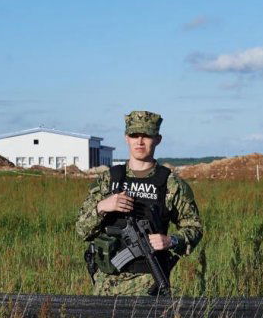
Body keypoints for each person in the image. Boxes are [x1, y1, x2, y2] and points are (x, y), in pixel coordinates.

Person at [76, 110, 203, 295]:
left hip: (149, 283)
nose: (140, 141)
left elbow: (195, 228)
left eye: (147, 135)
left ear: (158, 139)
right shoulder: (108, 180)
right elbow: (81, 230)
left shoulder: (171, 184)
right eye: (135, 135)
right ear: (126, 138)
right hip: (106, 286)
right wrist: (103, 207)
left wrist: (171, 240)